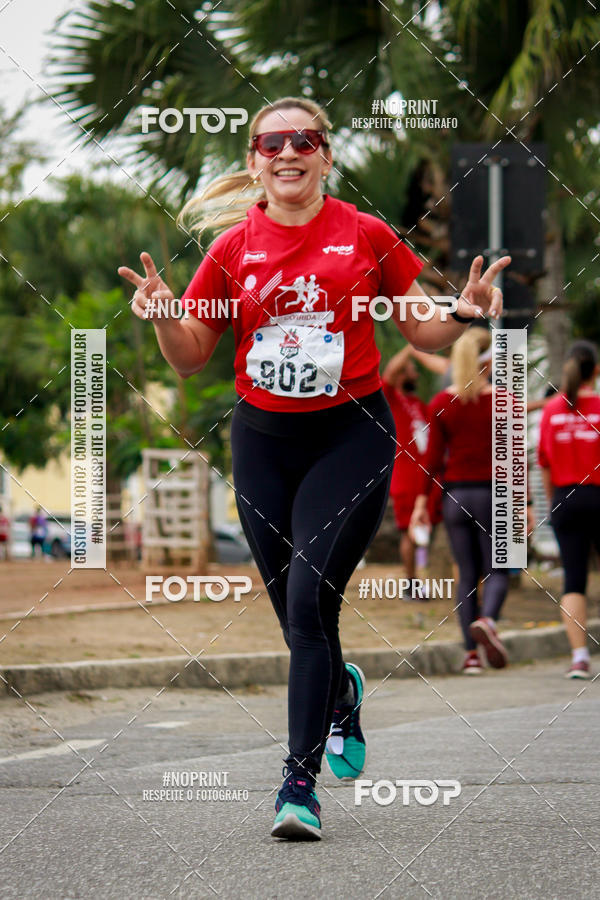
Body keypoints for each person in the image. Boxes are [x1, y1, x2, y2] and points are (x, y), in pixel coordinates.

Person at [118, 96, 509, 840]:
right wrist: (168, 316)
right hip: (262, 442)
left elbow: (420, 325)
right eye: (271, 142)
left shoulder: (366, 234)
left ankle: (297, 785)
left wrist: (464, 312)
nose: (288, 151)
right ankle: (340, 696)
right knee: (304, 615)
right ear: (253, 162)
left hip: (350, 438)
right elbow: (194, 356)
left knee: (305, 607)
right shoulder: (233, 250)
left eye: (305, 139)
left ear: (326, 156)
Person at [410, 327, 510, 675]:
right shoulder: (503, 400)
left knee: (467, 574)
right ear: (489, 361)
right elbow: (513, 458)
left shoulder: (441, 403)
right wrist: (524, 504)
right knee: (498, 568)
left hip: (455, 498)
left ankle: (470, 656)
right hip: (493, 495)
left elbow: (433, 459)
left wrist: (423, 502)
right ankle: (489, 622)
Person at [537, 340, 600, 679]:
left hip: (565, 499)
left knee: (574, 580)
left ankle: (579, 657)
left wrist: (552, 503)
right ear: (596, 370)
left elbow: (544, 463)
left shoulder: (551, 411)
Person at [381, 346, 443, 599]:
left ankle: (425, 579)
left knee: (427, 531)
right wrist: (413, 347)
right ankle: (411, 584)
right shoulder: (390, 398)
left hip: (427, 477)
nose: (416, 375)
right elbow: (390, 371)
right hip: (405, 476)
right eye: (411, 371)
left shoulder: (418, 404)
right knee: (409, 529)